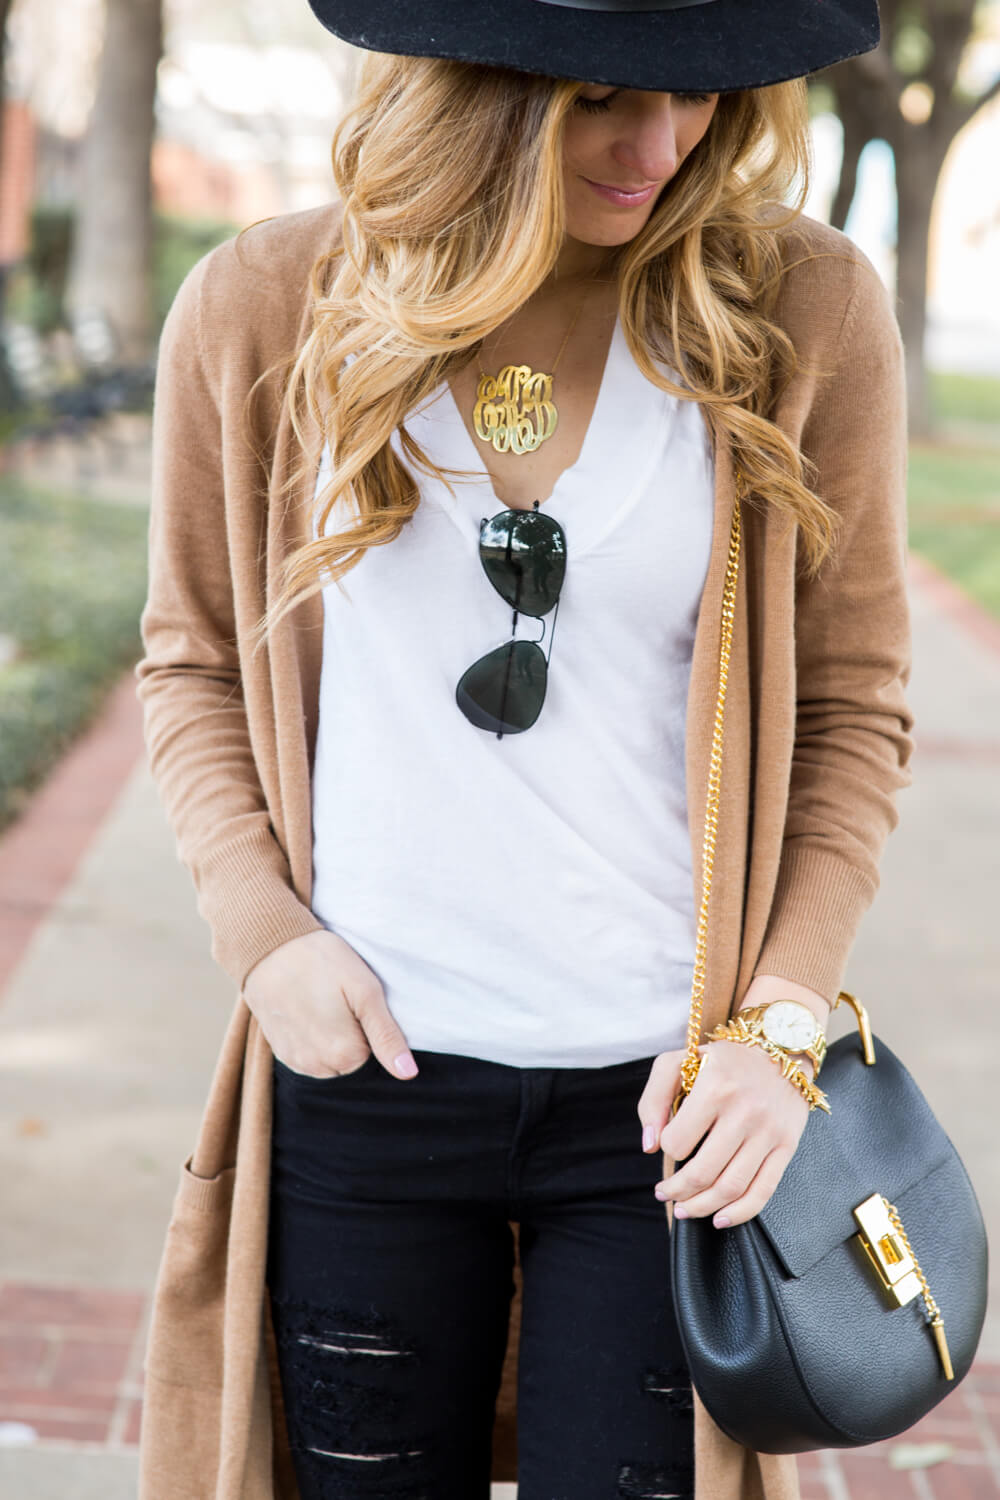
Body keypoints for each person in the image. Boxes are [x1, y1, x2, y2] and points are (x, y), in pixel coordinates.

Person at [134, 1, 913, 1497]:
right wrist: (262, 936)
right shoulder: (266, 305)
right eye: (602, 100)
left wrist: (781, 1028)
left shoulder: (798, 311)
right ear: (468, 96)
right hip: (366, 1081)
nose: (661, 145)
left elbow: (857, 704)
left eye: (697, 98)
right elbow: (194, 657)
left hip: (663, 1111)